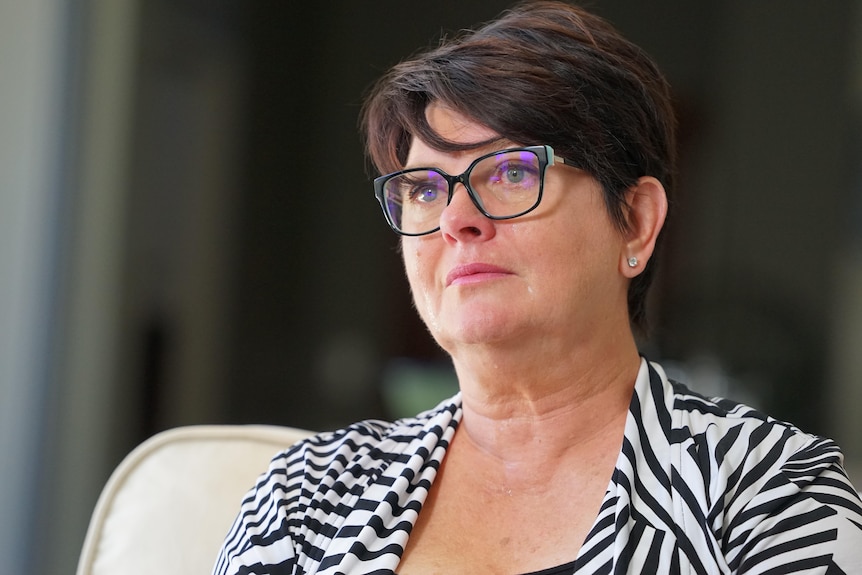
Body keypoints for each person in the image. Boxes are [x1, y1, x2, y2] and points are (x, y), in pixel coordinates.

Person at [214, 2, 862, 573]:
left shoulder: (775, 495)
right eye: (422, 189)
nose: (456, 219)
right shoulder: (302, 500)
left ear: (635, 223)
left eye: (512, 172)